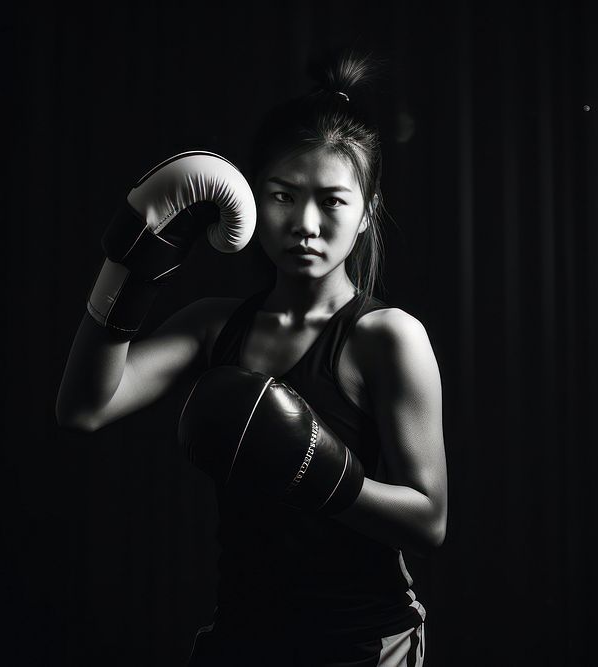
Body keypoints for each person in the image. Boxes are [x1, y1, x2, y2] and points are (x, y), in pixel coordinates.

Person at [56, 49, 446, 666]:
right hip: (243, 636)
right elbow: (83, 407)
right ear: (253, 198)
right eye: (283, 196)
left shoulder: (387, 337)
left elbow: (429, 522)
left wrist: (317, 471)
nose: (306, 224)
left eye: (334, 201)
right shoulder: (215, 326)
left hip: (363, 642)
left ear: (368, 212)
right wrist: (131, 266)